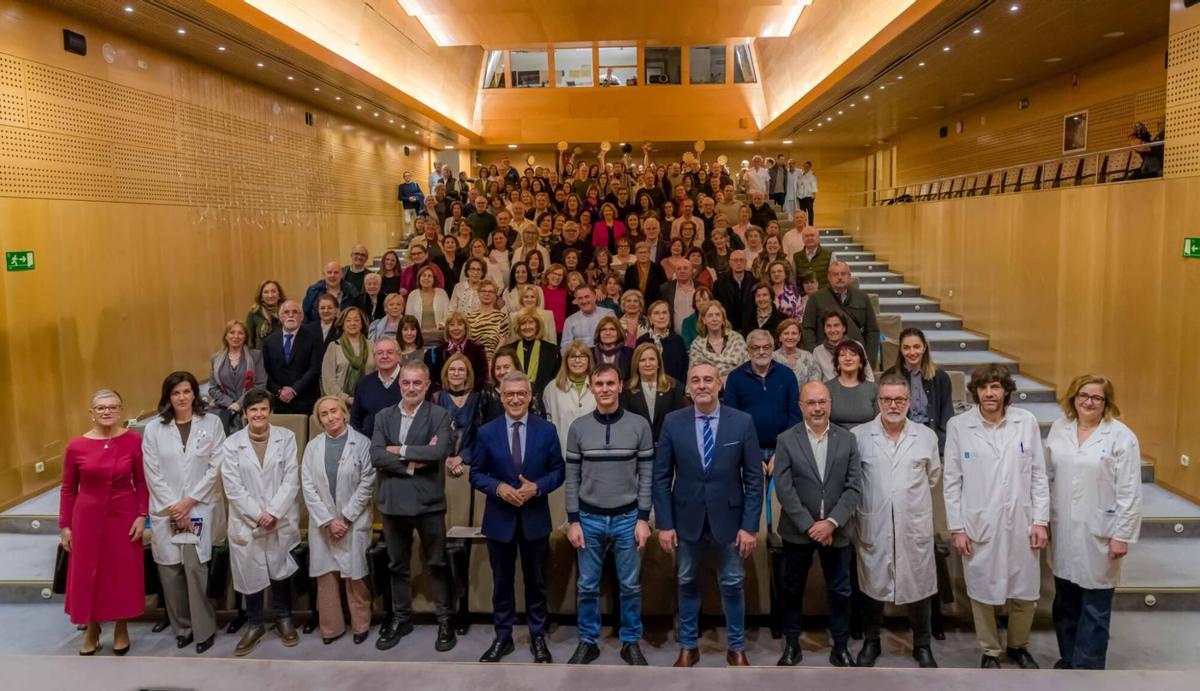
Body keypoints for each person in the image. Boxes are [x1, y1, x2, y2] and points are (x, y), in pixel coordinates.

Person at [653, 363, 763, 667]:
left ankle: (736, 647)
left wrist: (750, 527)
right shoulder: (673, 422)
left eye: (707, 380)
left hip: (730, 522)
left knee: (733, 583)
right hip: (686, 520)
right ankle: (688, 646)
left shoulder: (742, 422)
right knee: (686, 581)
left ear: (719, 385)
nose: (702, 385)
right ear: (688, 387)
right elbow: (661, 477)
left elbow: (754, 479)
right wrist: (664, 524)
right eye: (695, 380)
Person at [943, 364, 1050, 669]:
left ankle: (1018, 645)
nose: (989, 393)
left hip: (1022, 522)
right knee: (982, 590)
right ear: (975, 392)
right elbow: (951, 481)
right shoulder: (959, 426)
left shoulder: (1025, 422)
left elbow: (1039, 475)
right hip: (979, 522)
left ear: (1006, 391)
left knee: (1025, 592)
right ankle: (990, 650)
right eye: (983, 387)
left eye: (995, 387)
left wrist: (1040, 520)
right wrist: (958, 528)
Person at [467, 371, 566, 663]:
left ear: (530, 396)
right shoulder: (487, 432)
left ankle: (537, 636)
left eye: (521, 393)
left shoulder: (546, 430)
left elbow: (558, 471)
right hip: (500, 520)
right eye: (509, 394)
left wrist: (538, 487)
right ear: (500, 396)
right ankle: (503, 637)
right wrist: (498, 488)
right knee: (502, 583)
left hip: (535, 519)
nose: (515, 399)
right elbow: (476, 474)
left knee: (536, 582)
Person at [1045, 375, 1142, 670]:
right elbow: (1048, 477)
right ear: (1073, 398)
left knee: (1095, 606)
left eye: (1096, 397)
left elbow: (1129, 491)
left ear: (1106, 402)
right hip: (1063, 528)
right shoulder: (1060, 429)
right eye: (1083, 395)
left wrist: (1122, 535)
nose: (1089, 402)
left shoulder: (1121, 436)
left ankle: (1087, 670)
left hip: (1102, 530)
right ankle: (1069, 659)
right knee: (1066, 602)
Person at [563, 365, 655, 666]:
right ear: (592, 388)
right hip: (588, 518)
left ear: (619, 386)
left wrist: (643, 518)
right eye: (599, 384)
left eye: (610, 383)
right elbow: (572, 477)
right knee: (587, 586)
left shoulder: (639, 425)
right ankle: (588, 641)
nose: (605, 389)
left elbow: (647, 474)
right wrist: (573, 521)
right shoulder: (578, 428)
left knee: (630, 586)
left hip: (628, 517)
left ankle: (631, 641)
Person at [851, 374, 941, 668]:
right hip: (873, 524)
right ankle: (871, 641)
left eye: (900, 399)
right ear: (878, 401)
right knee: (872, 585)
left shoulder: (926, 437)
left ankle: (922, 644)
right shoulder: (859, 436)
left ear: (909, 402)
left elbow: (933, 477)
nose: (893, 405)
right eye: (887, 399)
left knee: (919, 586)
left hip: (913, 525)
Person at [771, 380, 862, 667]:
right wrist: (811, 525)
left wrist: (831, 523)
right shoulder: (786, 439)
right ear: (801, 406)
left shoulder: (847, 439)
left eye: (822, 401)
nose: (817, 408)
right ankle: (792, 645)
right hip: (797, 531)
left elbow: (854, 487)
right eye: (811, 403)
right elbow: (784, 488)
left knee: (841, 591)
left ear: (830, 404)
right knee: (792, 589)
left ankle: (841, 647)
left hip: (837, 530)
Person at [370, 362, 457, 652]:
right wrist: (411, 465)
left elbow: (438, 452)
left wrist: (399, 450)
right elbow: (376, 455)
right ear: (399, 385)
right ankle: (402, 618)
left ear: (428, 385)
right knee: (397, 565)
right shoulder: (384, 416)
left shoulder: (439, 415)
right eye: (406, 382)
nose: (411, 388)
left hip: (428, 501)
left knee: (437, 564)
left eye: (417, 383)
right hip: (393, 501)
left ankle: (445, 620)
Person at [60, 389, 148, 656]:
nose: (107, 411)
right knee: (88, 573)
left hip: (124, 514)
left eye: (112, 407)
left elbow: (142, 481)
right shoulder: (76, 446)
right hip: (86, 517)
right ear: (91, 413)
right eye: (101, 408)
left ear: (120, 410)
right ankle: (92, 627)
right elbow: (68, 488)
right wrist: (65, 526)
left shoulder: (133, 440)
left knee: (121, 572)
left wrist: (142, 515)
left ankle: (121, 627)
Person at [142, 373, 225, 654]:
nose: (182, 397)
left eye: (187, 391)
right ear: (168, 396)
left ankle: (204, 630)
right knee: (170, 572)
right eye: (175, 392)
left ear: (194, 394)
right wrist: (176, 508)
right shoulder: (154, 429)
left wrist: (190, 501)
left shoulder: (211, 423)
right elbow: (152, 471)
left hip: (199, 507)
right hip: (168, 510)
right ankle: (183, 629)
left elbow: (216, 465)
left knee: (195, 569)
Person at [220, 388, 301, 656]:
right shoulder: (232, 444)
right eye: (253, 409)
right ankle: (255, 624)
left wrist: (274, 512)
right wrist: (258, 514)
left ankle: (283, 618)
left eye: (263, 409)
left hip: (279, 517)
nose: (258, 414)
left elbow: (291, 479)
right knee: (250, 572)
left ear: (270, 411)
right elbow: (233, 487)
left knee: (280, 569)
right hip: (248, 521)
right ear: (245, 413)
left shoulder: (286, 438)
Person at [300, 396, 377, 645]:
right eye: (324, 414)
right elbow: (308, 486)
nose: (330, 417)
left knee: (355, 576)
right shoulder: (313, 447)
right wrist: (328, 521)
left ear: (344, 413)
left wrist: (345, 517)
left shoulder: (362, 443)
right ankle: (331, 628)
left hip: (353, 520)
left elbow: (367, 483)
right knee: (326, 577)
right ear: (319, 419)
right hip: (323, 523)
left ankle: (360, 624)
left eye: (334, 411)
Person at [723, 330, 801, 473]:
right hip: (747, 450)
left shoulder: (787, 375)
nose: (761, 351)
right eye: (755, 347)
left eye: (766, 347)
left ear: (772, 349)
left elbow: (796, 415)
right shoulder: (735, 378)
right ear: (748, 350)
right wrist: (749, 455)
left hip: (783, 448)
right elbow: (731, 419)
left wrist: (783, 450)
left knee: (780, 488)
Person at [883, 328, 953, 452]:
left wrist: (941, 444)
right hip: (900, 437)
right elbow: (886, 414)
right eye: (906, 348)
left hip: (934, 437)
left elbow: (946, 415)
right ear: (900, 349)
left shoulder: (941, 377)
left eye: (916, 347)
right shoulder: (889, 376)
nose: (912, 352)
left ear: (924, 347)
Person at [802, 261, 880, 366]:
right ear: (829, 277)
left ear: (849, 276)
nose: (839, 277)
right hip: (825, 359)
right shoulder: (816, 299)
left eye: (843, 274)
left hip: (855, 357)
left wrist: (868, 360)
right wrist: (814, 356)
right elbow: (807, 329)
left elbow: (872, 331)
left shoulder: (862, 298)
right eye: (835, 274)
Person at [263, 300, 323, 415]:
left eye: (295, 312)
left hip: (305, 401)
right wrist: (279, 391)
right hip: (279, 402)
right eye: (286, 312)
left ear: (302, 317)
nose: (290, 315)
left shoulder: (313, 339)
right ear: (280, 317)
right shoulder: (269, 341)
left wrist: (294, 390)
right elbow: (265, 372)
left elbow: (314, 369)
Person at [621, 341, 688, 444]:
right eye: (642, 360)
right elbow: (626, 423)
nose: (647, 364)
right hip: (638, 445)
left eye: (652, 359)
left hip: (668, 444)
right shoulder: (626, 389)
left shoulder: (674, 386)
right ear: (636, 364)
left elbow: (679, 420)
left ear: (658, 363)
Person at [210, 320, 267, 434]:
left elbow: (260, 385)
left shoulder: (255, 356)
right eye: (232, 332)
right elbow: (213, 388)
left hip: (250, 410)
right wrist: (230, 403)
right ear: (226, 336)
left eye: (240, 333)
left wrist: (239, 404)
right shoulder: (216, 358)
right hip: (225, 411)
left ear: (245, 337)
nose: (236, 336)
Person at [432, 355, 481, 482]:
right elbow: (431, 434)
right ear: (446, 373)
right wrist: (447, 459)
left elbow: (480, 435)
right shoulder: (436, 398)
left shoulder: (476, 399)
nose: (456, 373)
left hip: (469, 464)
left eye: (461, 370)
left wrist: (461, 458)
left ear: (467, 374)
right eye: (452, 369)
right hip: (440, 464)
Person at [498, 309, 561, 399]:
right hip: (513, 398)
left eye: (531, 322)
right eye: (523, 323)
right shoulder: (508, 350)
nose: (527, 326)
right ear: (518, 327)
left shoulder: (552, 351)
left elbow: (556, 381)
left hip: (543, 399)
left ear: (537, 325)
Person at [320, 306, 375, 407]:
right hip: (339, 404)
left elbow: (377, 375)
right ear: (342, 325)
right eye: (348, 320)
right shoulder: (334, 346)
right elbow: (328, 379)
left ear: (361, 324)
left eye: (356, 320)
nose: (352, 323)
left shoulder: (372, 346)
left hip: (369, 401)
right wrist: (345, 398)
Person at [349, 338, 403, 437]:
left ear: (399, 356)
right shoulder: (364, 383)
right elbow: (355, 420)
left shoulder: (410, 381)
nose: (385, 356)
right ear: (374, 357)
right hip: (369, 442)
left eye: (390, 352)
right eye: (379, 353)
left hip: (403, 444)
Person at [424, 312, 488, 393]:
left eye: (460, 324)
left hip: (472, 395)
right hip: (444, 397)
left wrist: (471, 395)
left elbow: (483, 378)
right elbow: (433, 380)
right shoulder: (438, 352)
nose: (456, 328)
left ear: (466, 327)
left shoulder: (477, 349)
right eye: (452, 325)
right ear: (447, 329)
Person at [688, 301, 748, 380]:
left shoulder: (736, 339)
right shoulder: (697, 345)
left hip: (738, 383)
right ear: (704, 320)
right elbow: (694, 374)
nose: (714, 319)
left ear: (723, 319)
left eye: (718, 315)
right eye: (710, 315)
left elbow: (747, 367)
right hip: (707, 385)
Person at [813, 310, 876, 382]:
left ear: (844, 328)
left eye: (836, 325)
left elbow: (868, 375)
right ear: (824, 329)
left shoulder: (857, 346)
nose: (832, 330)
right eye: (828, 326)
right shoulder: (818, 352)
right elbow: (817, 380)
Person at [828, 340, 878, 430]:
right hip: (835, 436)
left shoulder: (873, 388)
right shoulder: (827, 388)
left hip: (868, 436)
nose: (848, 358)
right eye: (842, 355)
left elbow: (880, 421)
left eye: (853, 354)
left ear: (861, 362)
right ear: (837, 363)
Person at [636, 300, 689, 384]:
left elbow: (684, 370)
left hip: (673, 388)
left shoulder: (678, 341)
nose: (661, 317)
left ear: (669, 316)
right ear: (650, 318)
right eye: (656, 313)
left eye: (664, 313)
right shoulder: (642, 341)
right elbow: (636, 369)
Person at [467, 280, 510, 367]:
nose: (487, 294)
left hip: (494, 362)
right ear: (478, 293)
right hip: (472, 361)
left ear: (495, 295)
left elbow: (502, 343)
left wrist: (491, 362)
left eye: (490, 291)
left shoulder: (501, 317)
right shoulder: (469, 317)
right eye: (483, 291)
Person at [560, 284, 616, 352]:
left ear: (595, 297)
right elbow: (565, 346)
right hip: (581, 357)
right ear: (576, 301)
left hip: (605, 355)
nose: (584, 301)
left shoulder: (608, 314)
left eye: (587, 297)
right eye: (580, 298)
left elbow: (618, 338)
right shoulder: (570, 321)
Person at [405, 265, 450, 344]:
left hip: (439, 335)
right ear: (419, 278)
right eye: (423, 275)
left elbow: (448, 315)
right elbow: (408, 318)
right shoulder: (413, 294)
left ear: (434, 279)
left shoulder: (442, 293)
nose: (426, 278)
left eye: (429, 276)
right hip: (417, 335)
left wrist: (441, 326)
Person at [714, 250, 756, 331]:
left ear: (746, 262)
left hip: (750, 327)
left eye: (741, 260)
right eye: (735, 260)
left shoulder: (754, 282)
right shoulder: (719, 283)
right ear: (730, 263)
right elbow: (717, 306)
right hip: (727, 328)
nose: (739, 263)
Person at [660, 258, 697, 337]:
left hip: (698, 335)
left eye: (685, 268)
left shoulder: (701, 287)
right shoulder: (665, 289)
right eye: (679, 269)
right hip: (674, 336)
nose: (682, 271)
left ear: (691, 270)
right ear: (675, 271)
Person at [790, 224, 834, 290]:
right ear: (803, 239)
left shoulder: (829, 255)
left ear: (818, 238)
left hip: (823, 294)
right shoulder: (796, 257)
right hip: (803, 294)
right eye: (806, 236)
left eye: (812, 235)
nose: (809, 238)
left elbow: (833, 278)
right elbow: (793, 279)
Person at [246, 279, 285, 350]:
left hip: (282, 354)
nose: (270, 295)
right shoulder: (254, 313)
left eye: (273, 291)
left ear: (279, 295)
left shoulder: (287, 312)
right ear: (261, 297)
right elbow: (249, 341)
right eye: (266, 292)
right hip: (260, 354)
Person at [590, 315, 633, 379]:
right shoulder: (590, 353)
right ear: (599, 333)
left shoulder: (630, 353)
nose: (608, 333)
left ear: (619, 332)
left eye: (612, 329)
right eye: (603, 329)